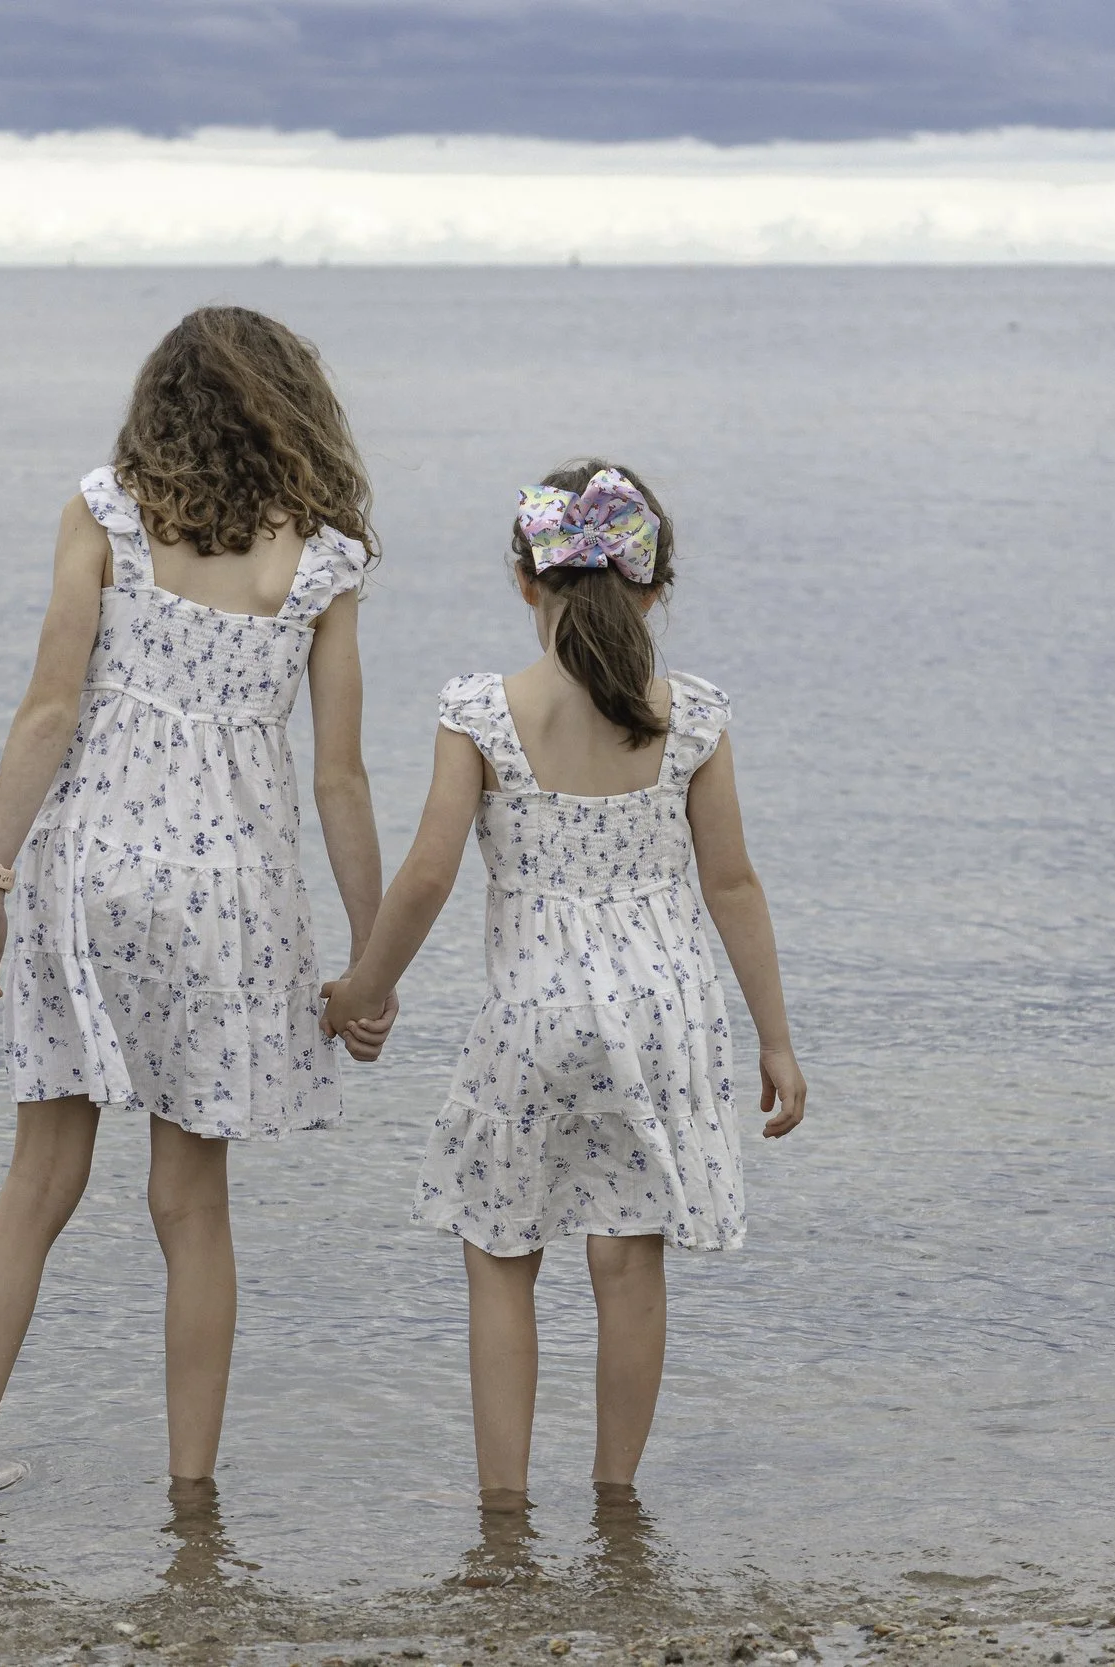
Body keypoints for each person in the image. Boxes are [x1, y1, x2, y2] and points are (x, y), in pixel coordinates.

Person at [0, 307, 395, 1500]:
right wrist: (372, 955)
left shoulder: (104, 514)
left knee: (37, 1183)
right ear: (296, 410)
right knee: (190, 1205)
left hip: (90, 873)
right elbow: (336, 774)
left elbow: (47, 710)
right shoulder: (325, 561)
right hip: (228, 895)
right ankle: (191, 1491)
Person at [319, 459, 805, 1505]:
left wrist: (363, 987)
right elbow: (732, 880)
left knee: (502, 1253)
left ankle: (503, 1509)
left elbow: (430, 872)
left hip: (532, 1015)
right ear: (654, 588)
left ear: (524, 581)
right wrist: (775, 1036)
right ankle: (616, 1500)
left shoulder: (484, 711)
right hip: (662, 1016)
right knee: (625, 1261)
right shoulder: (693, 716)